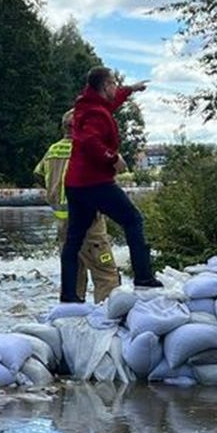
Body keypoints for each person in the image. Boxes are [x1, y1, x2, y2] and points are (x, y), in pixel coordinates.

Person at [59, 67, 162, 303]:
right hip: (94, 182)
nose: (116, 87)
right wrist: (113, 158)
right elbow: (89, 142)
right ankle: (143, 277)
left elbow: (111, 103)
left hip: (75, 184)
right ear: (105, 85)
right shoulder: (95, 113)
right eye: (114, 83)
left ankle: (68, 295)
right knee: (133, 220)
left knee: (74, 240)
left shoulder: (88, 105)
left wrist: (131, 90)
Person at [35, 109, 121, 303]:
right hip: (89, 222)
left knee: (73, 274)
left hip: (64, 223)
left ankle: (71, 318)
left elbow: (39, 174)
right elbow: (115, 170)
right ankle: (108, 319)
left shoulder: (53, 150)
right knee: (106, 275)